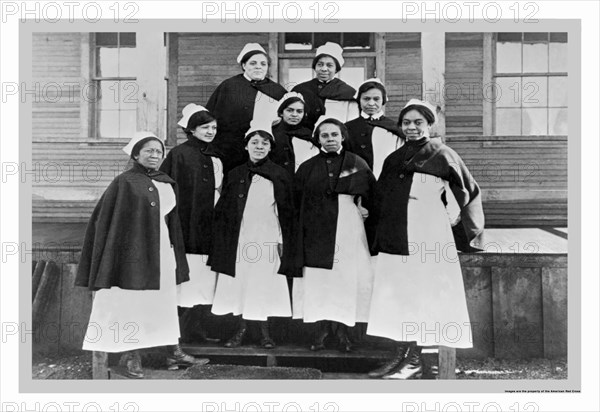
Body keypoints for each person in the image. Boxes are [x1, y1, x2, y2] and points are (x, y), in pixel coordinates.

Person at [366, 99, 484, 379]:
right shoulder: (394, 159)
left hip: (429, 234)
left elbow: (464, 192)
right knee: (400, 292)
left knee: (426, 291)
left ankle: (421, 359)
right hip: (397, 234)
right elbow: (381, 197)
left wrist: (452, 220)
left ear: (430, 125)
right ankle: (403, 356)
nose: (412, 127)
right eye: (406, 123)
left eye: (418, 122)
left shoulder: (443, 154)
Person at [75, 131, 208, 379]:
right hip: (132, 256)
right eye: (149, 150)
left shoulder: (166, 182)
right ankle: (132, 355)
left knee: (164, 301)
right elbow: (105, 222)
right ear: (136, 154)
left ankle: (173, 352)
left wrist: (176, 254)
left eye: (159, 151)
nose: (155, 155)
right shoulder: (124, 182)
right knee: (132, 303)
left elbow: (172, 222)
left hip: (162, 251)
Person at [292, 117, 376, 352]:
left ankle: (343, 333)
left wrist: (364, 208)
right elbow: (296, 201)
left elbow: (372, 195)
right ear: (317, 139)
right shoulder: (307, 167)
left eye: (334, 135)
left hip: (348, 225)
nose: (330, 139)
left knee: (345, 278)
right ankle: (320, 331)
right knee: (319, 279)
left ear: (342, 137)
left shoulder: (357, 163)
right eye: (325, 135)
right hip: (316, 228)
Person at [209, 120, 294, 349]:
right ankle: (241, 329)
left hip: (267, 236)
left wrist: (281, 240)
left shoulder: (280, 174)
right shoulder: (236, 173)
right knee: (240, 282)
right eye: (254, 142)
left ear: (270, 147)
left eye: (264, 143)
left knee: (263, 283)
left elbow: (286, 211)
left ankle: (265, 332)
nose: (259, 147)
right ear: (246, 146)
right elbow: (225, 209)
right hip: (240, 237)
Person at [159, 104, 223, 344]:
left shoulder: (216, 155)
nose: (210, 131)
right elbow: (168, 188)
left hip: (211, 226)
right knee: (186, 282)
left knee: (205, 281)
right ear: (192, 130)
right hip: (187, 225)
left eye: (214, 127)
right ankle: (174, 336)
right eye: (204, 127)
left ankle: (196, 329)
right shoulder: (179, 154)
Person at [206, 43, 287, 173]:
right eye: (253, 63)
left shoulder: (277, 90)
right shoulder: (229, 86)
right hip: (231, 151)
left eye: (263, 64)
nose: (258, 67)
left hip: (265, 151)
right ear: (244, 65)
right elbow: (211, 117)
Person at [344, 78, 403, 179]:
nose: (371, 103)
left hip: (386, 181)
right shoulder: (347, 128)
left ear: (383, 100)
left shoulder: (395, 128)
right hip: (355, 183)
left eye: (376, 99)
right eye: (366, 99)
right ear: (359, 100)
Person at [292, 42, 359, 130]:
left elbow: (352, 124)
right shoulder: (300, 90)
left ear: (336, 69)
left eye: (329, 65)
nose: (324, 69)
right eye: (320, 64)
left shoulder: (348, 92)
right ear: (314, 67)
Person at [269, 91, 319, 176]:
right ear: (281, 112)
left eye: (299, 111)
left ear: (304, 114)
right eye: (290, 110)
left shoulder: (309, 135)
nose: (294, 115)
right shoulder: (272, 133)